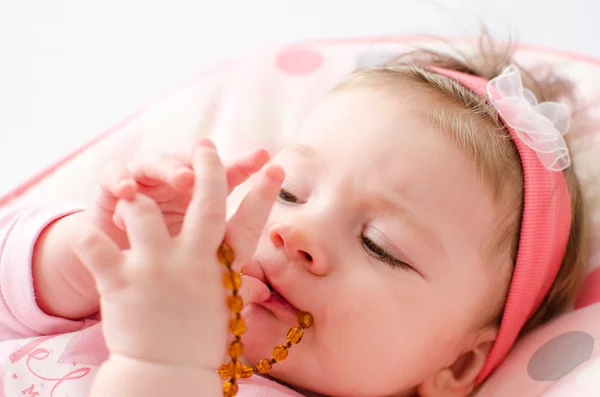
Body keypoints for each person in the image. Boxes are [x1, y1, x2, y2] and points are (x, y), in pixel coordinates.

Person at [0, 36, 587, 397]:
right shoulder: (159, 286)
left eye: (379, 244)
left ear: (456, 364)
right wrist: (85, 257)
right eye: (290, 193)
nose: (296, 233)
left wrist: (163, 363)